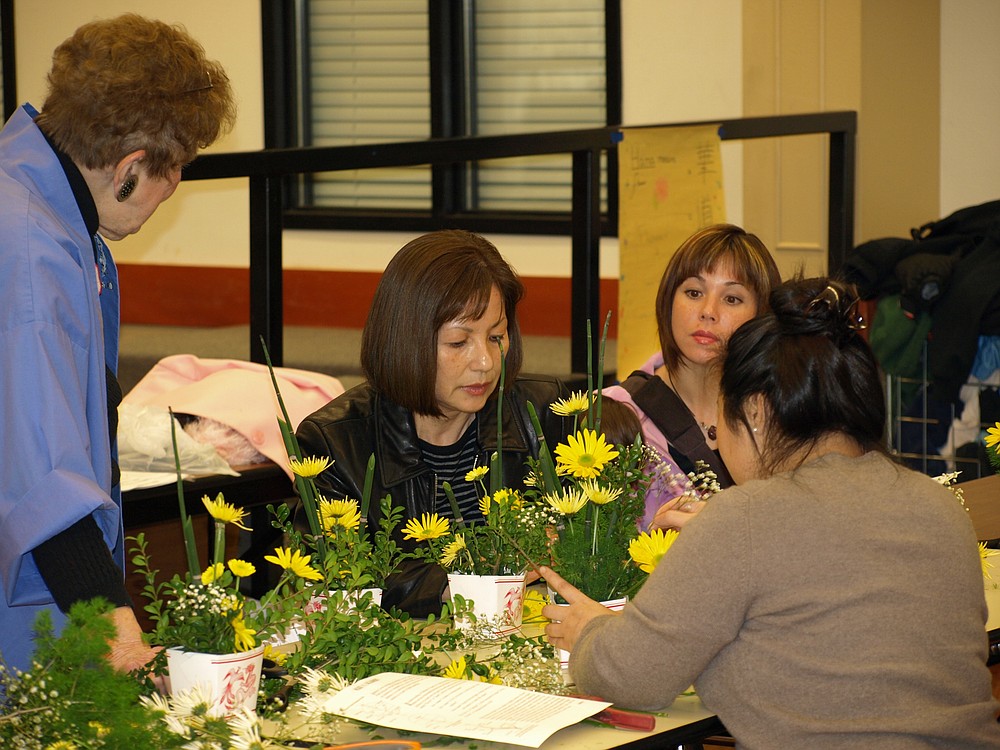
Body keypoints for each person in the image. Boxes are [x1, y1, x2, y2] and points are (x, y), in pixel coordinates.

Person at [542, 277, 1000, 748]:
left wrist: (591, 633)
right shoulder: (938, 504)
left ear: (756, 413)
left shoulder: (743, 520)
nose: (717, 438)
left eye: (721, 421)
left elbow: (634, 678)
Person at [0, 15, 236, 674]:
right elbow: (39, 474)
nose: (176, 189)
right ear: (131, 168)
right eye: (177, 168)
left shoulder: (39, 199)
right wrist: (111, 619)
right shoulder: (30, 252)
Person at [296, 230, 571, 615]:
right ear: (405, 340)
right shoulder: (336, 443)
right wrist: (463, 581)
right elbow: (326, 581)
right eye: (459, 343)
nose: (486, 362)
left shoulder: (542, 416)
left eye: (497, 336)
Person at [603, 223, 780, 531]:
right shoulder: (614, 416)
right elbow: (592, 558)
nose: (708, 311)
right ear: (669, 300)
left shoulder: (782, 411)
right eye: (694, 292)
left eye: (732, 299)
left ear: (761, 316)